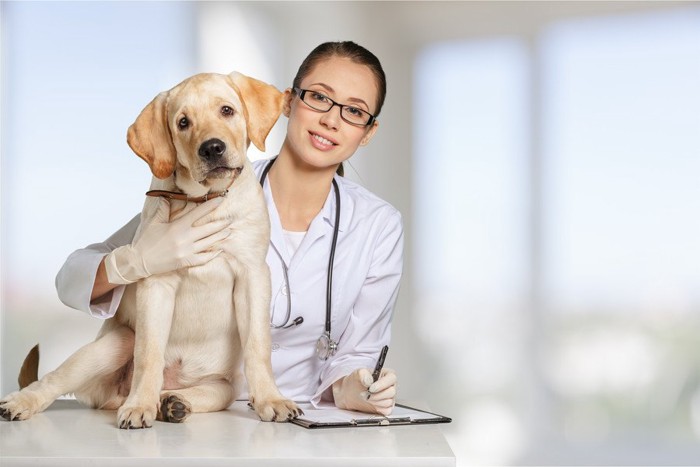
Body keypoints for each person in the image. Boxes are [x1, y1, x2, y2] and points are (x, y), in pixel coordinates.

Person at [55, 41, 403, 416]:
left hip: (301, 418)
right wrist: (135, 262)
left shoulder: (378, 226)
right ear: (287, 102)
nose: (331, 120)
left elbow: (356, 357)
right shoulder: (201, 191)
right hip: (205, 410)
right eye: (319, 98)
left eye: (354, 111)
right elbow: (70, 277)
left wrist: (360, 388)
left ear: (368, 132)